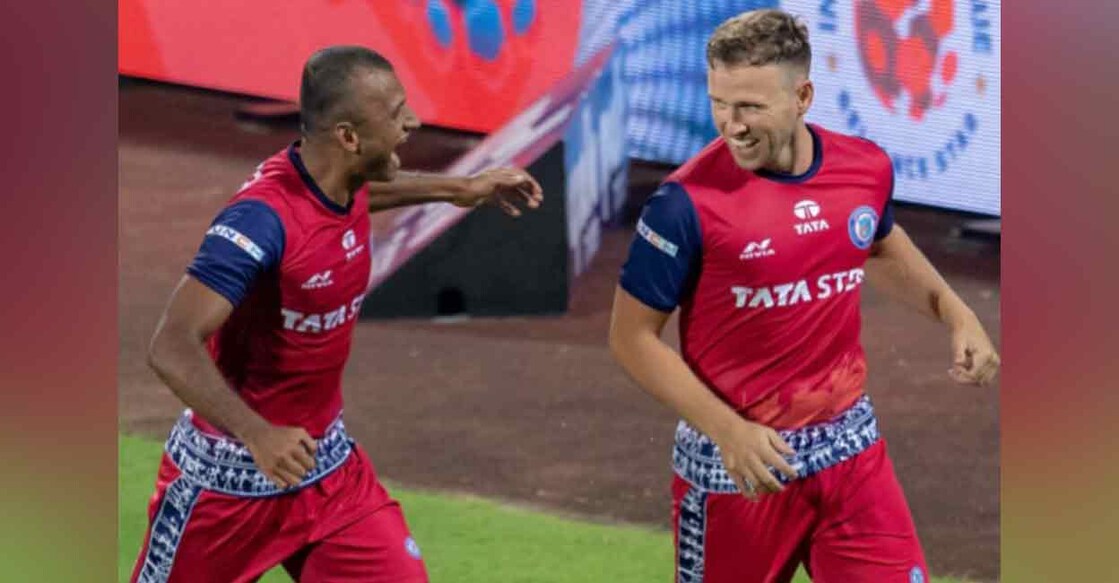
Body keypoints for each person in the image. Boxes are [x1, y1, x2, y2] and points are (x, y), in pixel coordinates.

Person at [607, 9, 999, 583]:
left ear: (803, 97)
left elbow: (878, 245)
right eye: (719, 103)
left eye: (750, 107)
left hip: (850, 450)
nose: (731, 125)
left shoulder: (863, 169)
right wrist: (729, 431)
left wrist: (956, 313)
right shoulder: (683, 204)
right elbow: (631, 337)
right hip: (740, 469)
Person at [129, 45, 543, 583]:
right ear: (348, 137)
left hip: (326, 473)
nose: (413, 122)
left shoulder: (338, 183)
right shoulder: (260, 221)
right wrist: (258, 434)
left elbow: (361, 194)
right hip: (226, 485)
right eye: (396, 113)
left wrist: (460, 188)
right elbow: (171, 343)